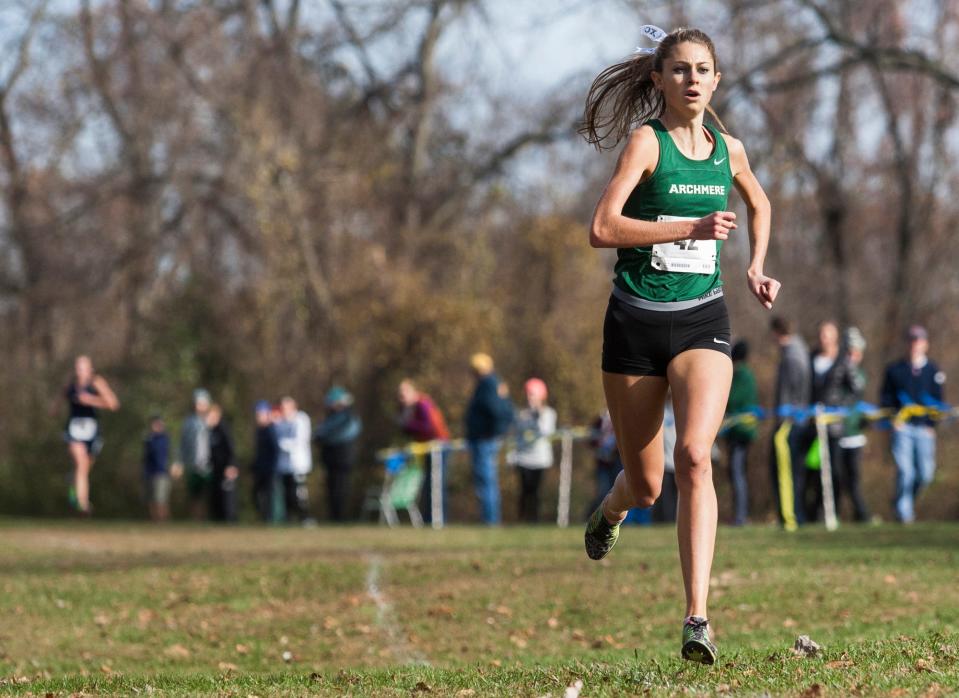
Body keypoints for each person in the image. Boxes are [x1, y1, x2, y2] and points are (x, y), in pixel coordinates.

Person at [579, 25, 779, 664]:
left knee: (695, 456)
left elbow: (761, 205)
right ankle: (611, 511)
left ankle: (697, 618)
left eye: (703, 70)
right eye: (681, 70)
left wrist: (755, 265)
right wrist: (688, 225)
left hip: (702, 321)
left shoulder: (731, 150)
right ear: (659, 80)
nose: (693, 79)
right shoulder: (647, 142)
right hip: (634, 324)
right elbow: (602, 227)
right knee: (646, 487)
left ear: (717, 80)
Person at [880, 325, 946, 524]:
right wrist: (894, 421)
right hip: (903, 428)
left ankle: (903, 501)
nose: (914, 345)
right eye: (911, 341)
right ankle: (904, 514)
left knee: (925, 474)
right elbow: (885, 399)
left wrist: (932, 426)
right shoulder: (894, 370)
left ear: (925, 344)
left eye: (919, 341)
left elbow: (938, 402)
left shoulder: (933, 370)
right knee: (905, 471)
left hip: (924, 430)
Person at [63, 355, 120, 515]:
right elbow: (54, 406)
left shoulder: (96, 382)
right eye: (77, 368)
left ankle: (73, 483)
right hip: (73, 430)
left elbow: (113, 404)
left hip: (92, 431)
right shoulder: (70, 385)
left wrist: (91, 400)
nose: (79, 371)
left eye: (82, 368)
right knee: (81, 464)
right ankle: (83, 505)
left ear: (90, 369)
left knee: (84, 469)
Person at [769, 316, 811, 528]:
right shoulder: (802, 350)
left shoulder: (791, 357)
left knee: (785, 471)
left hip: (789, 422)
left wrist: (782, 417)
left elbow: (788, 392)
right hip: (799, 419)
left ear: (776, 332)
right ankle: (795, 514)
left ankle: (790, 516)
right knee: (796, 470)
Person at [465, 353, 514, 525]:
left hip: (484, 440)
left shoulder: (487, 384)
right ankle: (490, 519)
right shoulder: (495, 383)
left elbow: (496, 410)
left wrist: (492, 432)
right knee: (488, 481)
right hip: (486, 439)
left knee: (486, 482)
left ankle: (490, 520)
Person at [397, 379, 450, 523]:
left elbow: (427, 427)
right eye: (400, 393)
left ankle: (440, 520)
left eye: (405, 392)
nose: (401, 396)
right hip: (425, 447)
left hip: (439, 446)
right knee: (427, 484)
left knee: (437, 484)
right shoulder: (405, 408)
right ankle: (428, 519)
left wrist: (408, 424)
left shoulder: (422, 404)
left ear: (414, 391)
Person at [505, 378, 557, 523]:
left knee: (535, 492)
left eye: (533, 394)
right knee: (524, 490)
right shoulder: (520, 414)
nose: (529, 398)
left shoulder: (548, 414)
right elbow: (513, 436)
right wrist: (511, 456)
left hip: (540, 459)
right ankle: (521, 520)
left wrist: (538, 416)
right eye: (528, 394)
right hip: (522, 458)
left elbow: (546, 432)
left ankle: (534, 520)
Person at [834, 327, 870, 522]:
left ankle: (862, 515)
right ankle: (835, 514)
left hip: (854, 436)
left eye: (855, 352)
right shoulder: (837, 372)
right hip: (838, 433)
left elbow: (857, 389)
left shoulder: (860, 375)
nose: (851, 356)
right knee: (837, 478)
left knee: (854, 480)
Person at [722, 340, 758, 526]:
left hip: (740, 431)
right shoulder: (747, 374)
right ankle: (740, 514)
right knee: (737, 472)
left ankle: (741, 516)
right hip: (740, 431)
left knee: (737, 473)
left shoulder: (742, 375)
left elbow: (732, 398)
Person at [314, 386, 362, 522]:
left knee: (341, 487)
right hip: (330, 458)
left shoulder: (350, 416)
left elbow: (345, 433)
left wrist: (325, 438)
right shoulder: (330, 417)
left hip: (343, 457)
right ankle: (334, 516)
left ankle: (340, 517)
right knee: (331, 487)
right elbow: (319, 433)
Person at [173, 388, 213, 520]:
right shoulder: (189, 422)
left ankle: (211, 520)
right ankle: (197, 521)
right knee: (195, 496)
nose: (199, 405)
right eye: (197, 402)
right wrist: (178, 462)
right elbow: (182, 444)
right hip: (193, 465)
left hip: (210, 465)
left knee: (210, 495)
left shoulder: (213, 421)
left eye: (202, 403)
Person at [275, 396, 315, 524]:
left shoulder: (301, 419)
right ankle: (288, 519)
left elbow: (299, 441)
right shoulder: (280, 422)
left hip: (298, 465)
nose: (284, 410)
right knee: (286, 493)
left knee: (299, 493)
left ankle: (305, 517)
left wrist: (280, 444)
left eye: (286, 408)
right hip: (284, 466)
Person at [207, 404, 238, 522]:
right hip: (216, 468)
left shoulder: (223, 428)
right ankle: (218, 520)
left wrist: (231, 465)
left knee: (228, 497)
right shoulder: (211, 430)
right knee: (216, 495)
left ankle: (230, 520)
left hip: (226, 468)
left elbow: (231, 448)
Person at [251, 400, 279, 522]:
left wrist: (272, 467)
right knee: (257, 494)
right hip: (260, 468)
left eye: (260, 414)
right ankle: (263, 517)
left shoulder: (271, 430)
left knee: (269, 495)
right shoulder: (259, 431)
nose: (257, 417)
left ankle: (270, 518)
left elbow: (275, 450)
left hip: (270, 469)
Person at [142, 415, 171, 523]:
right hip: (149, 472)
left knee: (161, 499)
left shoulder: (164, 438)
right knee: (151, 498)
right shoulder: (149, 438)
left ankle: (163, 520)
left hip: (161, 472)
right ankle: (154, 520)